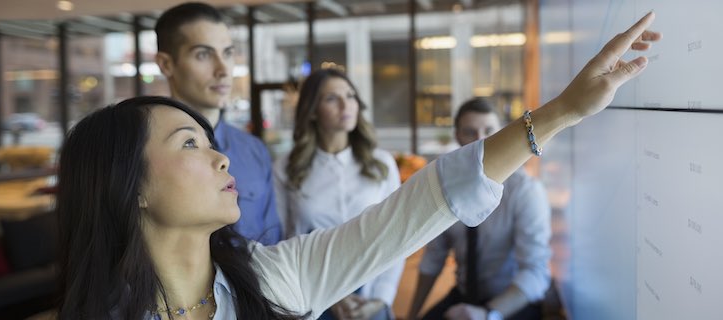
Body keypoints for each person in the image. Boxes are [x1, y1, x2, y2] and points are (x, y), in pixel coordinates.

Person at [54, 13, 661, 320]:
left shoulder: (274, 280)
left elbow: (421, 205)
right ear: (127, 184)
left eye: (210, 141)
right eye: (188, 144)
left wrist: (560, 113)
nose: (219, 155)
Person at [273, 68, 404, 320]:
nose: (346, 104)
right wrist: (330, 294)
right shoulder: (286, 168)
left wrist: (381, 298)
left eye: (351, 95)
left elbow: (396, 236)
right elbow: (281, 242)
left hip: (371, 294)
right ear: (312, 111)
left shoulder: (381, 164)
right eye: (332, 98)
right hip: (311, 296)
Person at [407, 98, 551, 320]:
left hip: (511, 302)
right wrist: (411, 315)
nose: (482, 140)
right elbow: (433, 259)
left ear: (503, 132)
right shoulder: (446, 187)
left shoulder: (525, 191)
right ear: (457, 136)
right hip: (464, 296)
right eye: (470, 132)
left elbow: (535, 273)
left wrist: (487, 314)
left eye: (490, 130)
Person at [154, 2, 282, 245]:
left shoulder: (253, 151)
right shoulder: (146, 153)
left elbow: (273, 244)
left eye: (228, 53)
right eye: (203, 54)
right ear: (166, 64)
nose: (223, 70)